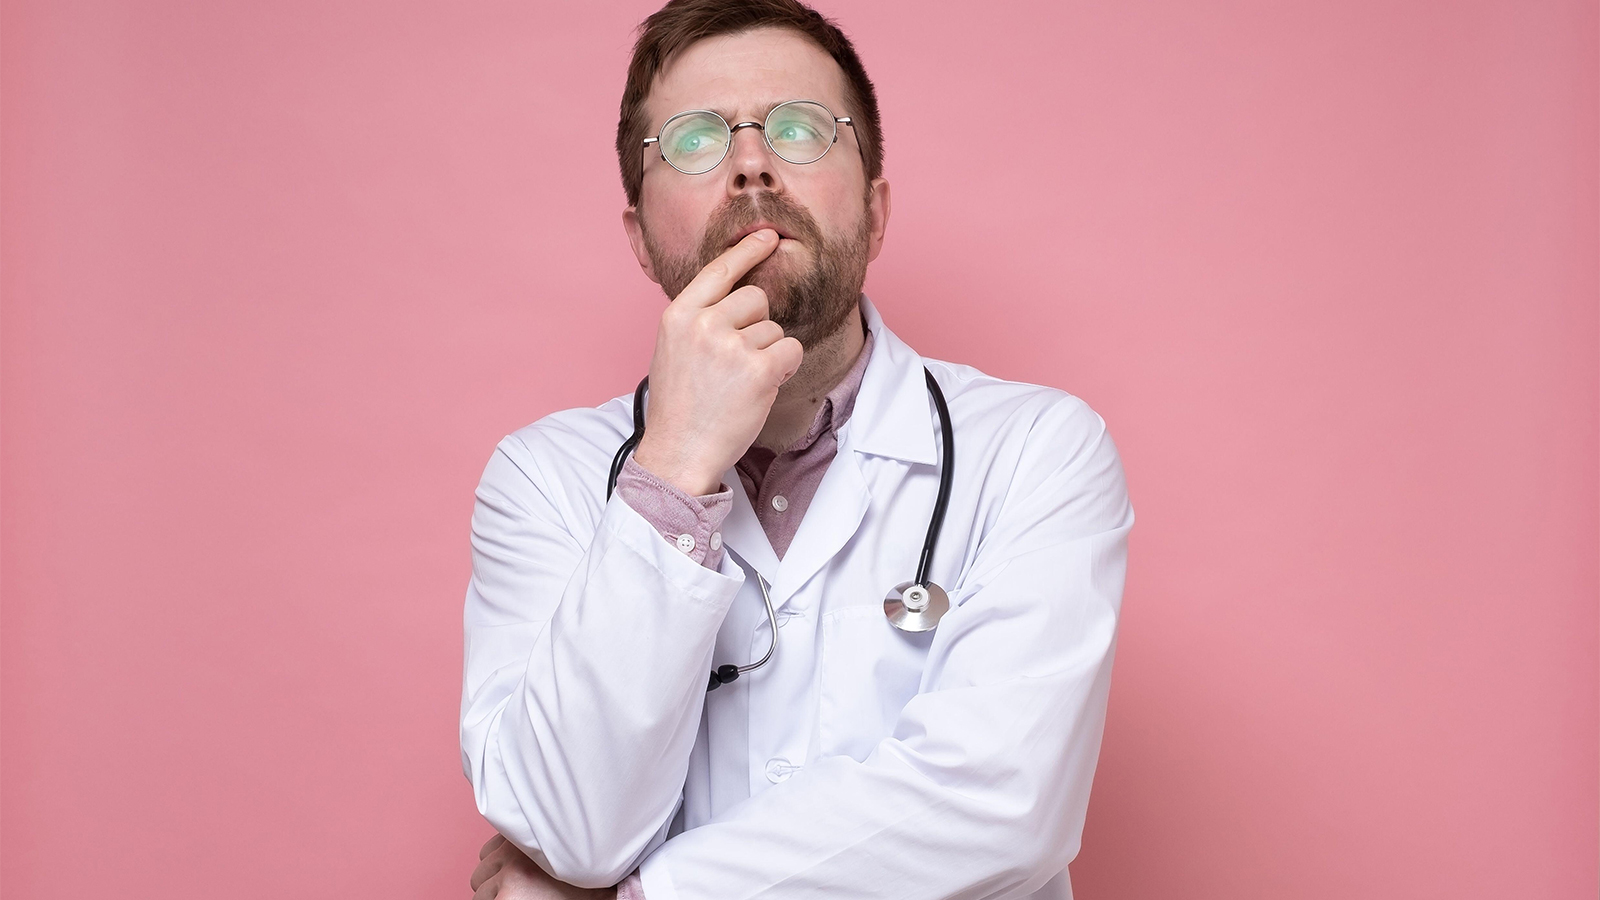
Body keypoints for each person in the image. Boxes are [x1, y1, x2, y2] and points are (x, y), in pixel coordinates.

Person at [460, 1, 1133, 898]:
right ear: (639, 240)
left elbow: (1001, 804)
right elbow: (568, 826)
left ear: (876, 212)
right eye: (695, 140)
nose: (750, 163)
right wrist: (673, 468)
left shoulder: (1036, 451)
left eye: (800, 129)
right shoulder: (543, 481)